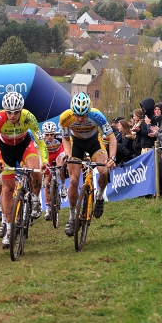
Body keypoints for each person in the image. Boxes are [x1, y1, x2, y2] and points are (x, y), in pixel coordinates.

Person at [0, 92, 48, 248]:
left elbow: (41, 142)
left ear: (21, 109)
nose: (13, 115)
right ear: (4, 110)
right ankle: (9, 229)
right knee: (7, 190)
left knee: (35, 170)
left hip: (25, 146)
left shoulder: (29, 117)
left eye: (16, 112)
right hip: (6, 150)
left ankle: (35, 200)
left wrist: (45, 161)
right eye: (9, 112)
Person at [60, 93, 116, 237]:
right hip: (76, 143)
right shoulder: (65, 117)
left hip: (94, 143)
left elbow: (112, 137)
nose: (79, 119)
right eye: (76, 115)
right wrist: (67, 154)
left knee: (103, 171)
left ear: (88, 111)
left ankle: (99, 196)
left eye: (83, 116)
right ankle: (72, 217)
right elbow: (65, 139)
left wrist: (112, 158)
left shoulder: (97, 116)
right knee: (73, 181)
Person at [40, 121, 67, 221]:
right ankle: (47, 209)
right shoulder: (41, 139)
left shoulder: (60, 137)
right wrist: (43, 164)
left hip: (58, 153)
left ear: (55, 133)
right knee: (47, 184)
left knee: (61, 167)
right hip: (48, 157)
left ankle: (63, 186)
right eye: (47, 134)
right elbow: (39, 153)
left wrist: (63, 158)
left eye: (52, 134)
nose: (50, 136)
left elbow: (65, 148)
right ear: (44, 134)